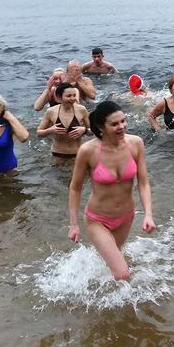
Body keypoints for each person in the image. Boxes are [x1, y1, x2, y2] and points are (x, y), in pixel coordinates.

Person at [67, 101, 156, 281]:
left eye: (123, 121)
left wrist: (148, 214)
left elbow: (144, 182)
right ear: (101, 127)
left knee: (112, 262)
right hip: (97, 219)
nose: (122, 126)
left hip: (125, 217)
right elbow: (75, 188)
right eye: (114, 124)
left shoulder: (135, 143)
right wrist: (74, 224)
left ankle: (100, 291)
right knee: (122, 274)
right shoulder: (88, 150)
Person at [36, 83, 90, 158]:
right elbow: (39, 133)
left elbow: (92, 131)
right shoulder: (51, 111)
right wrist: (50, 130)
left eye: (74, 95)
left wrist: (84, 130)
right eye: (68, 96)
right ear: (59, 97)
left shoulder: (81, 109)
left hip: (78, 154)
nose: (73, 98)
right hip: (57, 154)